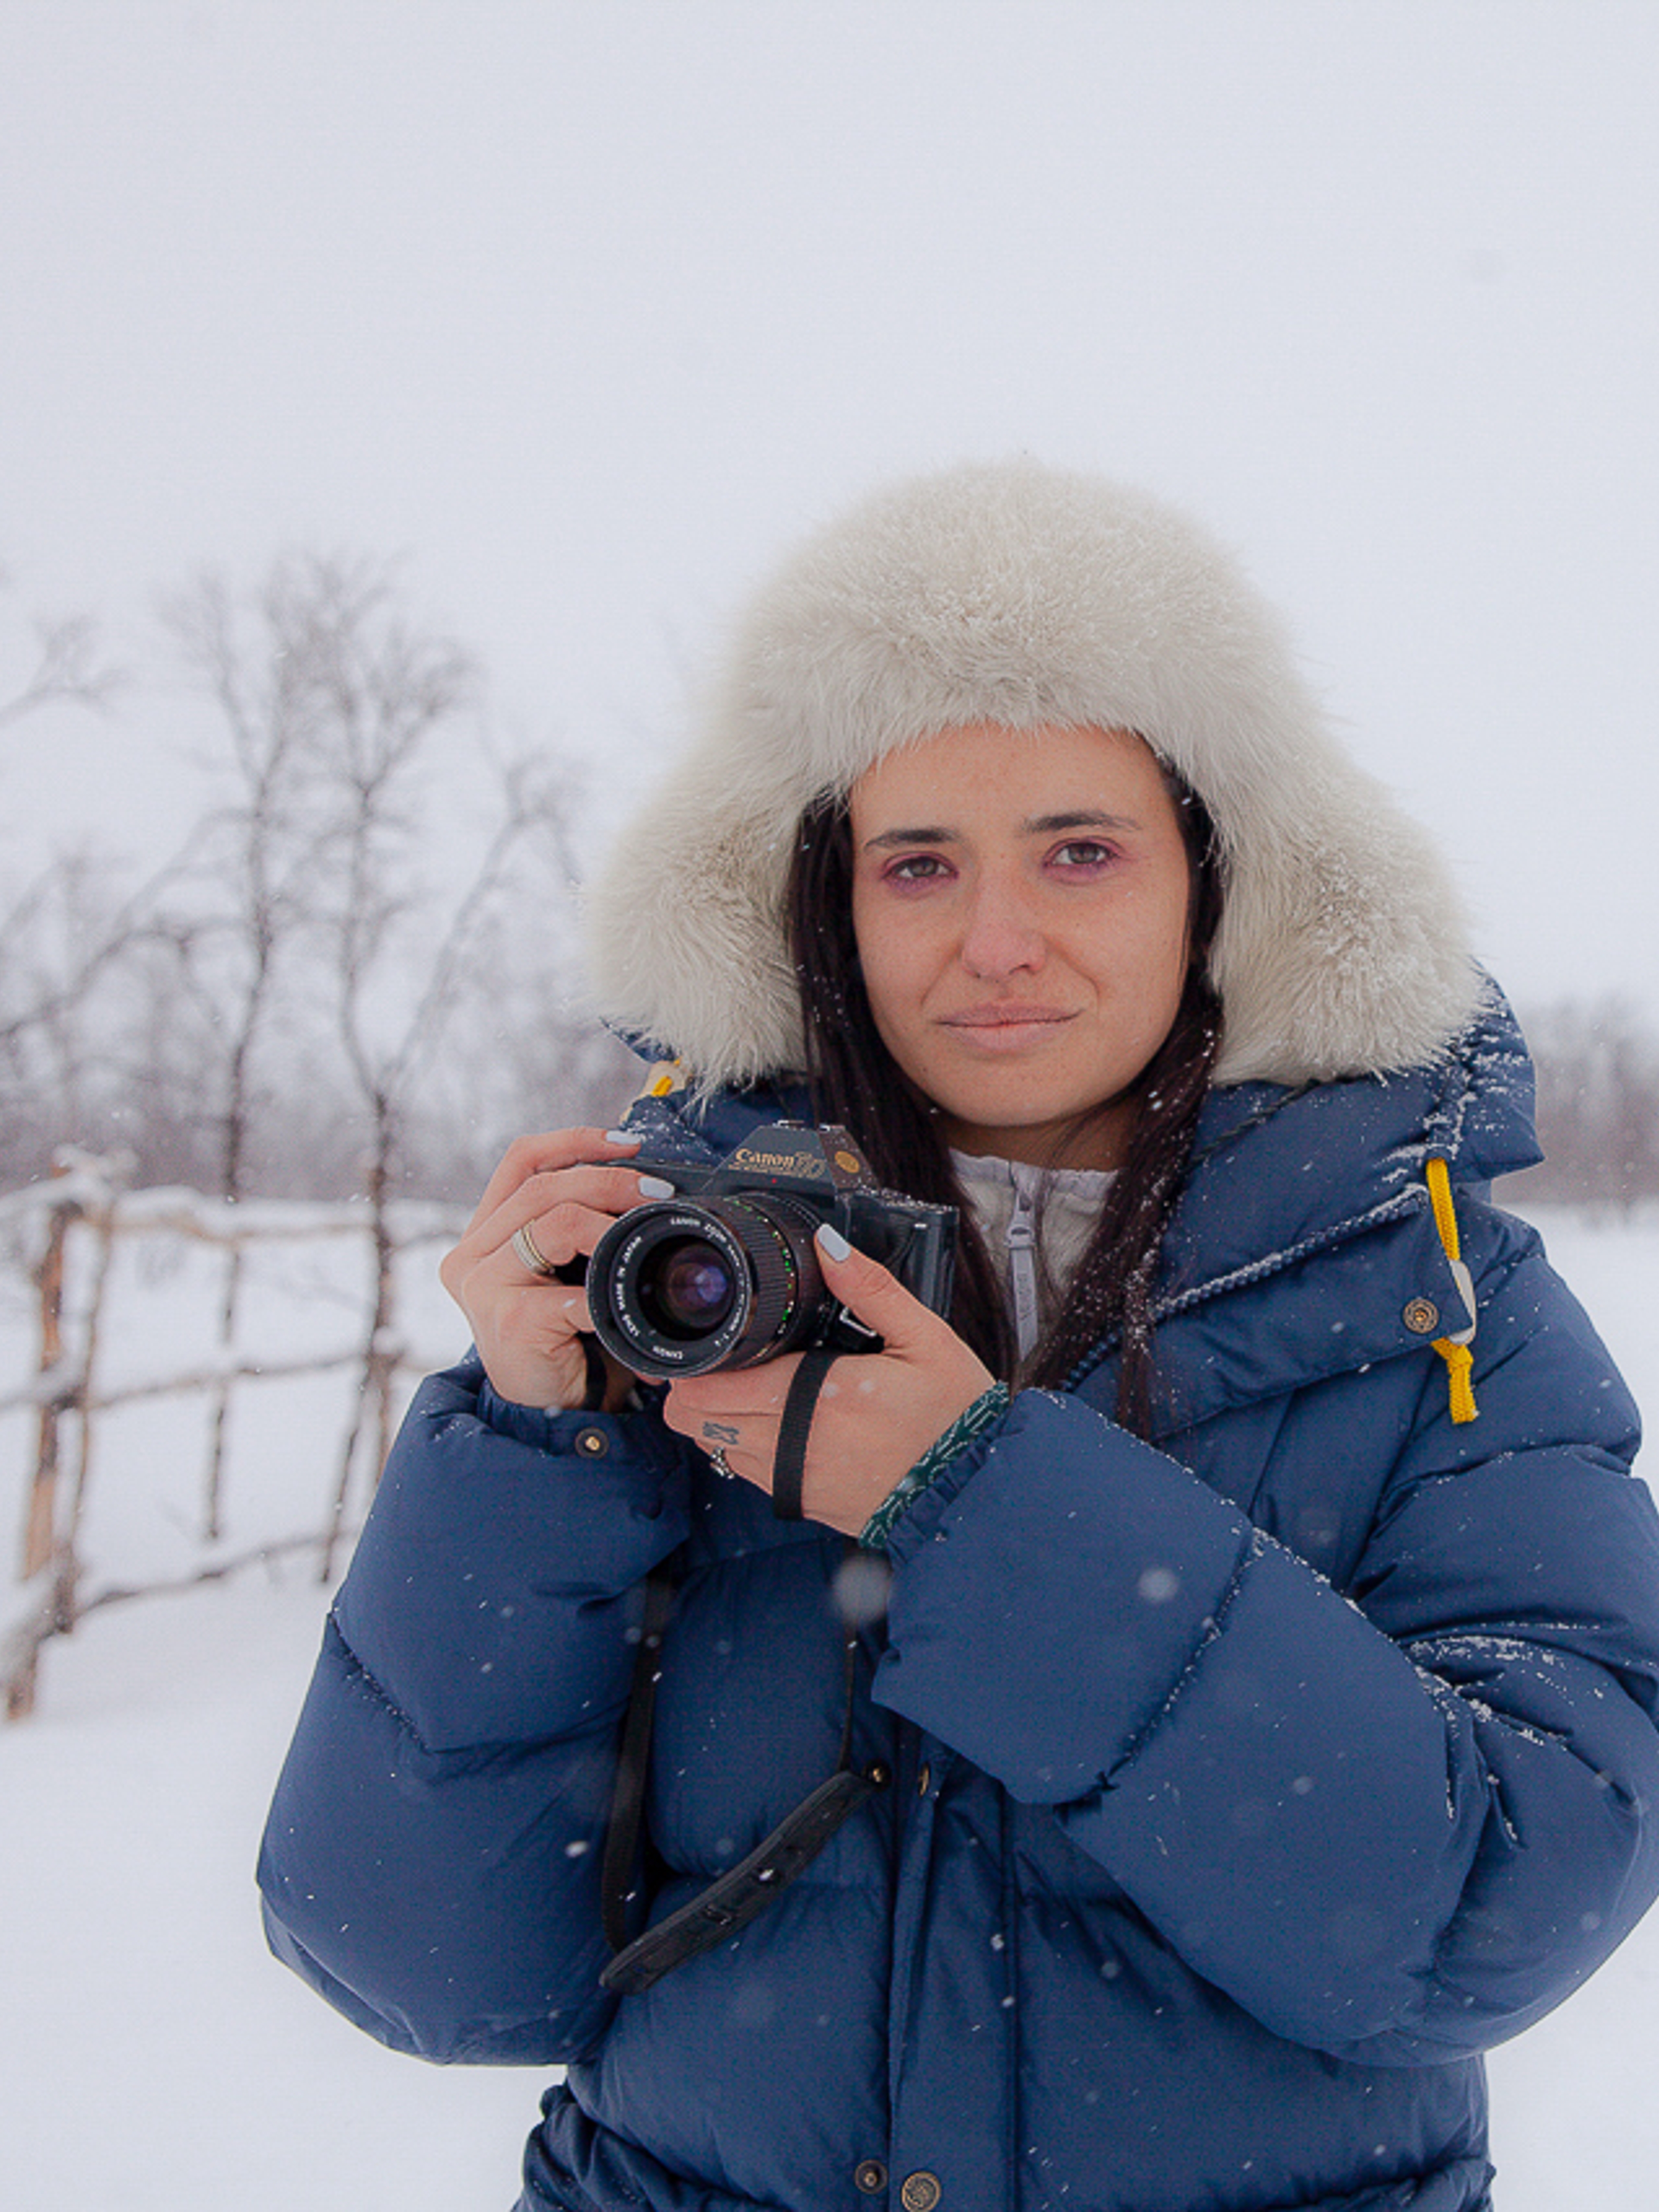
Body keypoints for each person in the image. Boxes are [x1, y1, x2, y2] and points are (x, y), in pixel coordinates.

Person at [258, 461, 1659, 2212]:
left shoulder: (1439, 1303)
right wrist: (533, 1455)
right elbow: (417, 1964)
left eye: (1080, 848)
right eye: (918, 861)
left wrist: (975, 1496)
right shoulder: (687, 1291)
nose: (995, 940)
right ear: (824, 906)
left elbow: (1489, 1906)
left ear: (1216, 884)